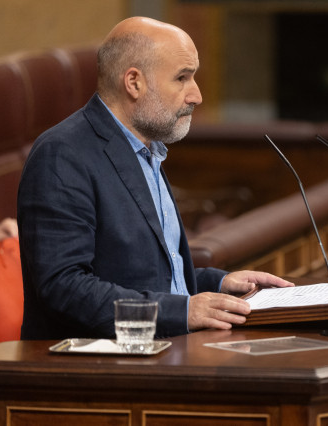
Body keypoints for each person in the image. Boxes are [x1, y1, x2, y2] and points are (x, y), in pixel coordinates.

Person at [17, 17, 293, 340]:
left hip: (162, 352)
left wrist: (218, 284)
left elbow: (146, 276)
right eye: (182, 78)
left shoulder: (148, 150)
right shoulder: (62, 155)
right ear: (134, 83)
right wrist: (183, 312)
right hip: (99, 372)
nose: (197, 95)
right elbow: (65, 289)